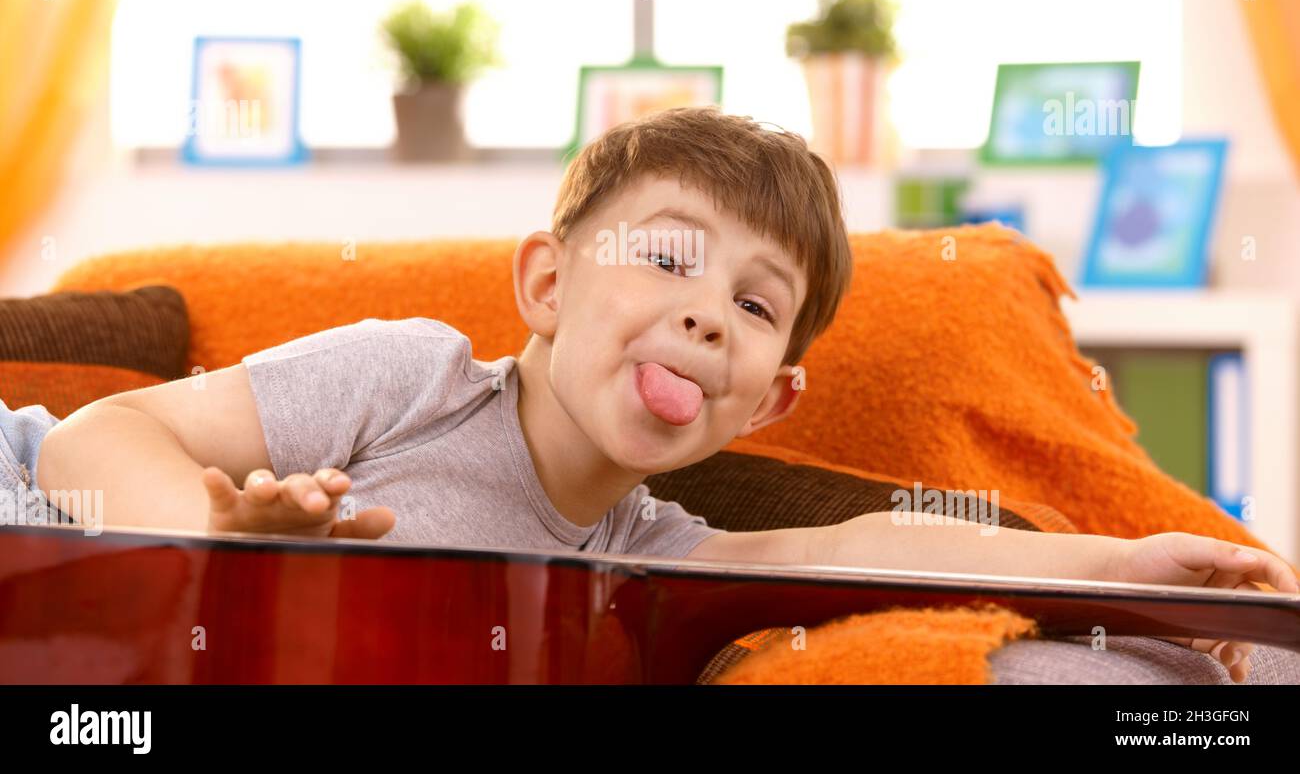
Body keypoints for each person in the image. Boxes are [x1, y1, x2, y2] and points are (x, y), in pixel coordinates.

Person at [32, 106, 1298, 682]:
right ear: (543, 283)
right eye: (668, 255)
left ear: (767, 402)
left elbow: (860, 544)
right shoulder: (412, 377)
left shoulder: (654, 552)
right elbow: (101, 429)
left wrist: (1123, 562)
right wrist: (196, 547)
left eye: (752, 304)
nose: (705, 309)